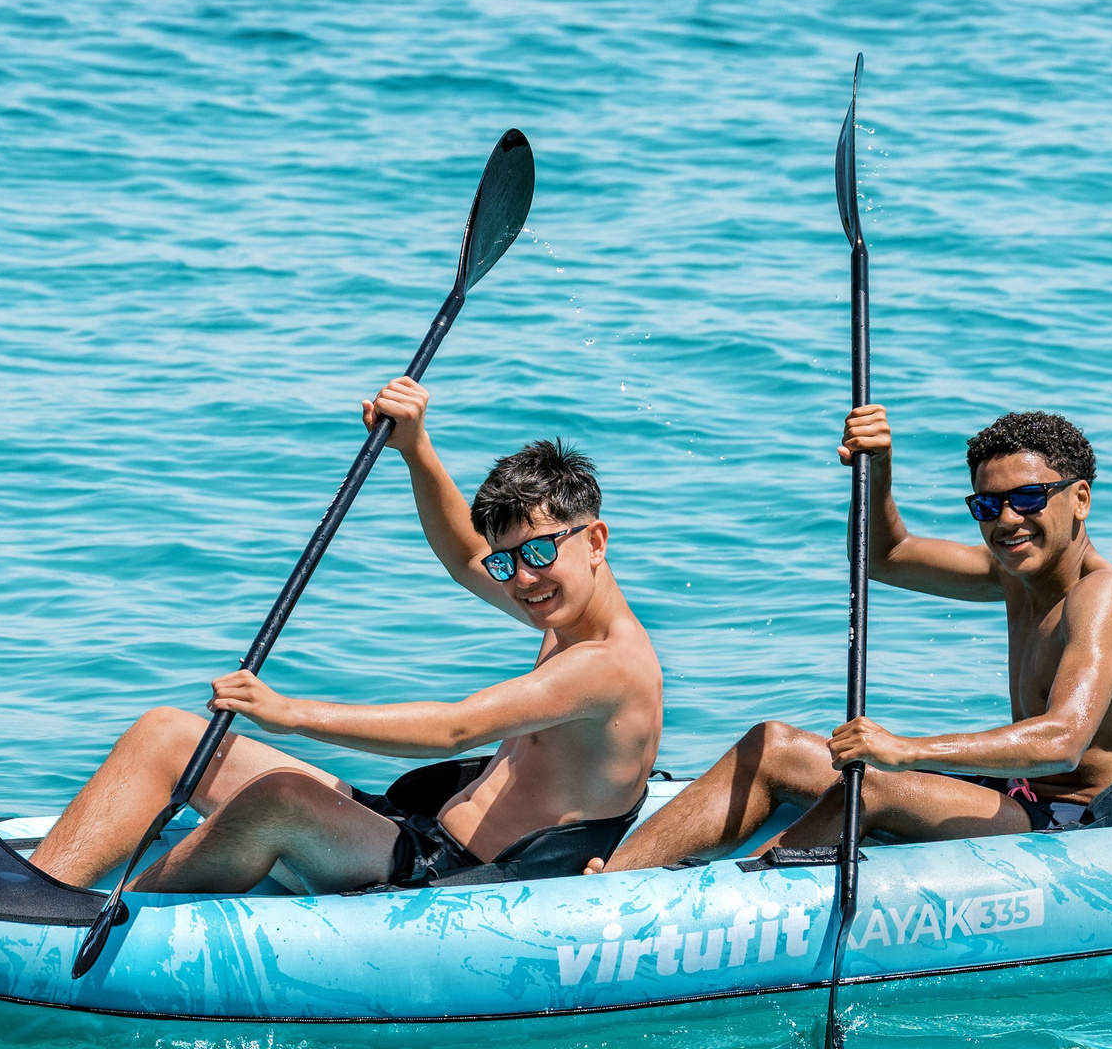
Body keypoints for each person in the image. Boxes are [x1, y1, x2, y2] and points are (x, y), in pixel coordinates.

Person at [33, 378, 663, 896]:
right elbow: (466, 556)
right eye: (509, 562)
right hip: (418, 835)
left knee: (278, 798)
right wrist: (416, 449)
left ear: (596, 541)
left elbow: (456, 728)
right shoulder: (560, 607)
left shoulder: (609, 664)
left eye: (539, 553)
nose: (521, 579)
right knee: (166, 735)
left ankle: (108, 926)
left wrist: (293, 714)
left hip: (458, 882)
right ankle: (33, 898)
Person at [598, 406, 1112, 872]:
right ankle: (615, 878)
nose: (1007, 521)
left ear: (1081, 500)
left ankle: (735, 896)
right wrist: (879, 468)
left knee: (868, 786)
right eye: (988, 506)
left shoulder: (1104, 594)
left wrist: (908, 751)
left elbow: (1063, 741)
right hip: (1020, 799)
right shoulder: (1016, 574)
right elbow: (884, 556)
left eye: (1029, 498)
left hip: (1080, 830)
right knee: (772, 747)